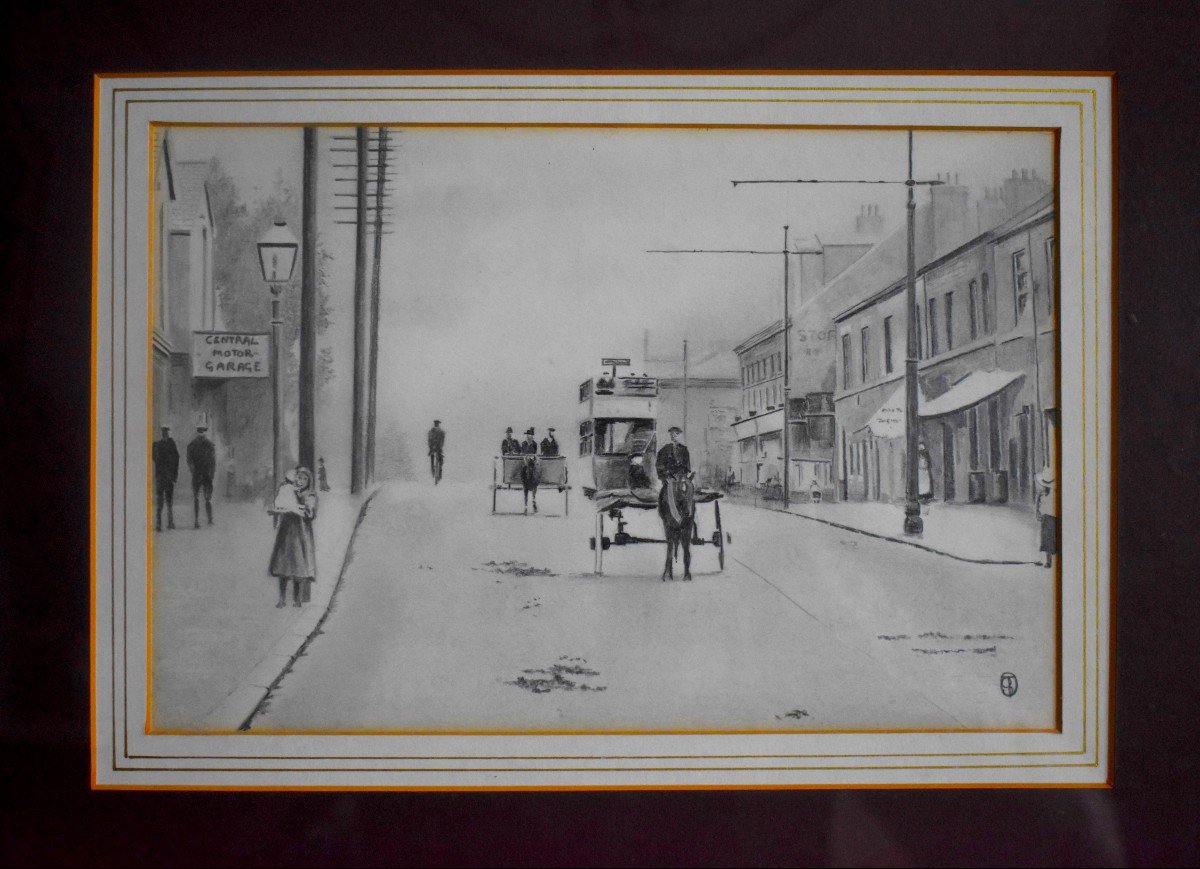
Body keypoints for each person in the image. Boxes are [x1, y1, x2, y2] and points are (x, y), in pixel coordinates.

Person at [269, 467, 318, 608]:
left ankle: (297, 599)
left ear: (309, 481)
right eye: (298, 477)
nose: (300, 481)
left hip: (300, 535)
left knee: (298, 566)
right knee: (282, 565)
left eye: (304, 479)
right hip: (286, 533)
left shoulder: (310, 495)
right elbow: (279, 505)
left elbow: (310, 513)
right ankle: (282, 599)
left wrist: (300, 503)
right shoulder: (288, 489)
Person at [186, 424, 216, 528]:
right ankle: (207, 520)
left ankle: (199, 521)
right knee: (204, 498)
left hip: (200, 475)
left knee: (198, 498)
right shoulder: (209, 445)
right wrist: (211, 474)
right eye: (201, 432)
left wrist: (193, 470)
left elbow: (189, 461)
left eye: (202, 432)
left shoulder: (192, 445)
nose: (201, 434)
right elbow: (213, 462)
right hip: (204, 474)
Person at [152, 426, 179, 531]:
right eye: (167, 433)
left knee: (161, 502)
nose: (166, 435)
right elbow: (176, 461)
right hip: (167, 477)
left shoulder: (156, 445)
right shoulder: (171, 445)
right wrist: (174, 476)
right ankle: (169, 523)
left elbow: (155, 458)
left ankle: (160, 524)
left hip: (161, 477)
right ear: (167, 434)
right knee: (168, 501)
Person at [1036, 466, 1058, 570]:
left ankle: (1049, 562)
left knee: (1048, 540)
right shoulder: (1056, 494)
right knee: (1052, 540)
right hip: (1053, 518)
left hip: (1047, 518)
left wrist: (1038, 514)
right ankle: (1050, 562)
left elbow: (1038, 507)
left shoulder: (1042, 494)